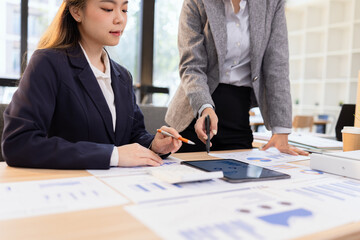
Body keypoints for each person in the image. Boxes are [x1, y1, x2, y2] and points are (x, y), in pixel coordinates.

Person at [1, 0, 182, 169]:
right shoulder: (48, 63)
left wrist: (154, 145)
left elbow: (132, 136)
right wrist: (113, 155)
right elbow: (18, 143)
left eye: (125, 9)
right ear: (76, 12)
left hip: (118, 189)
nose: (120, 19)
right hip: (68, 190)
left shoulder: (122, 76)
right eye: (108, 9)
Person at [165, 0, 308, 155]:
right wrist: (204, 107)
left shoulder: (271, 3)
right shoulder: (196, 2)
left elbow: (277, 66)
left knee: (242, 175)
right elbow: (191, 66)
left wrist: (281, 131)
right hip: (194, 115)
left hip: (238, 116)